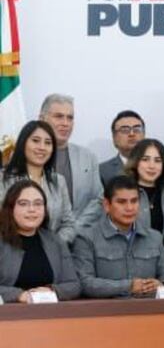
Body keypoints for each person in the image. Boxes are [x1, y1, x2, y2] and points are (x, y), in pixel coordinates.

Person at [72, 175, 164, 298]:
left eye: (134, 201)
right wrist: (128, 286)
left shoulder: (154, 237)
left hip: (149, 311)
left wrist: (162, 285)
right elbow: (85, 283)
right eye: (122, 202)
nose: (129, 208)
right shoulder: (87, 238)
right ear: (107, 205)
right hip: (107, 313)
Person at [0, 180, 81, 303]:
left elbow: (74, 285)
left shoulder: (55, 241)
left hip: (48, 314)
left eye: (38, 204)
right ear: (10, 208)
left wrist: (51, 290)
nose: (32, 209)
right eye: (23, 204)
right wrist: (18, 295)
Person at [0, 121, 76, 245]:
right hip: (10, 252)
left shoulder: (59, 181)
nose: (42, 147)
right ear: (23, 143)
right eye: (35, 140)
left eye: (48, 143)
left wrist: (51, 245)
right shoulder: (3, 178)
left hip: (51, 254)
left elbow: (69, 224)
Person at [38, 93, 102, 230]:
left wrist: (72, 229)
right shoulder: (29, 155)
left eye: (70, 118)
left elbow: (98, 199)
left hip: (81, 236)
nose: (65, 123)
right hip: (39, 237)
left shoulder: (88, 157)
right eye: (59, 116)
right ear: (42, 119)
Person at [123, 139, 164, 245]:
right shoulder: (121, 192)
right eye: (145, 159)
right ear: (136, 162)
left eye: (157, 161)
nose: (151, 166)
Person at [99, 110, 145, 186]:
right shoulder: (102, 171)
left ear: (144, 135)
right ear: (114, 138)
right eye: (125, 130)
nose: (132, 134)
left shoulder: (157, 167)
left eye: (137, 130)